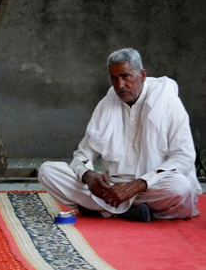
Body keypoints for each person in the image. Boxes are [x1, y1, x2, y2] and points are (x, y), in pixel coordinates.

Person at [38, 48, 201, 222]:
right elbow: (82, 155)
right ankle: (131, 212)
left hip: (151, 186)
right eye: (114, 79)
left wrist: (139, 184)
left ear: (143, 75)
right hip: (112, 188)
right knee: (48, 171)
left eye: (126, 77)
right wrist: (88, 175)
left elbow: (184, 157)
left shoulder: (167, 101)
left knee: (180, 188)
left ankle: (108, 210)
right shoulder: (107, 103)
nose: (119, 85)